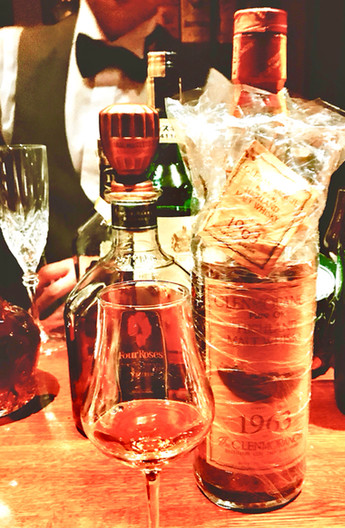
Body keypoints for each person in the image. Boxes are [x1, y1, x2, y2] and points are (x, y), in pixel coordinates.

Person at [0, 0, 213, 325]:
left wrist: (111, 269)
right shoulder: (8, 56)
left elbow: (222, 242)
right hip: (33, 338)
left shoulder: (212, 87)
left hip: (163, 335)